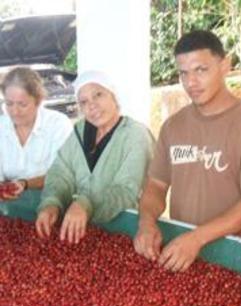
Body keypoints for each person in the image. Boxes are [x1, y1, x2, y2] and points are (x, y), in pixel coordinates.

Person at [134, 30, 241, 272]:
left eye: (201, 70)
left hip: (233, 256)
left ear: (225, 66)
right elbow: (156, 186)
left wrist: (196, 238)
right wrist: (146, 221)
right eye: (184, 73)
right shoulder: (173, 126)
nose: (190, 83)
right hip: (182, 253)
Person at [36, 70, 153, 243]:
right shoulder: (80, 131)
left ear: (114, 97)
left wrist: (86, 204)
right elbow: (61, 173)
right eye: (84, 102)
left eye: (98, 95)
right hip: (79, 230)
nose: (92, 106)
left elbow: (126, 191)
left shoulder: (136, 135)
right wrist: (52, 202)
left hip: (125, 232)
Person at [0, 66, 73, 201]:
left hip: (53, 203)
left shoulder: (58, 124)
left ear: (38, 101)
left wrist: (25, 184)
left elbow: (62, 174)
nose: (15, 111)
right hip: (10, 206)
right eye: (9, 103)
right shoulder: (2, 126)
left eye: (22, 104)